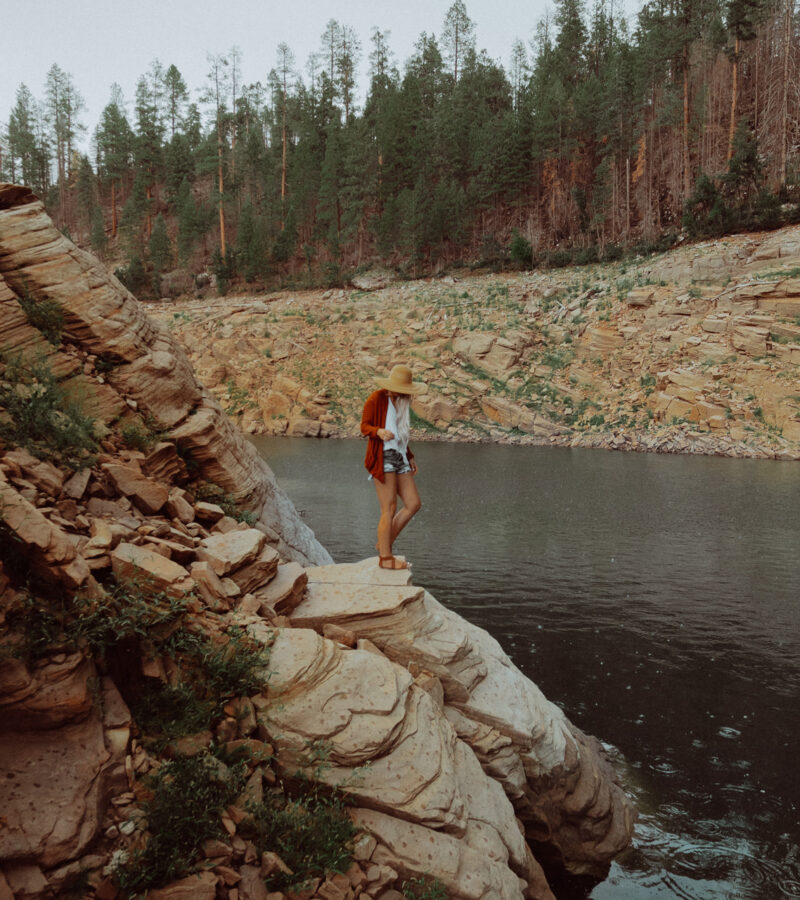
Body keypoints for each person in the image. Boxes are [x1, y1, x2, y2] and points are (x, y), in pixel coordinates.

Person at [361, 364, 425, 570]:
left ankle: (383, 544)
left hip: (400, 456)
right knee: (388, 508)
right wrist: (378, 431)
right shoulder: (377, 398)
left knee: (413, 503)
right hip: (383, 455)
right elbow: (364, 426)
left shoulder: (402, 402)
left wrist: (410, 455)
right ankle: (385, 558)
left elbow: (400, 435)